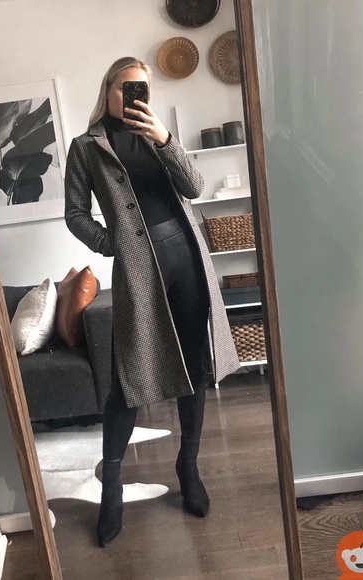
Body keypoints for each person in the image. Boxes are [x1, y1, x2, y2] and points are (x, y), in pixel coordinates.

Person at [64, 56, 240, 547]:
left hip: (187, 259)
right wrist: (111, 243)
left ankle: (188, 466)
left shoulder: (157, 135)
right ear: (108, 90)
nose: (134, 97)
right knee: (126, 381)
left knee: (194, 367)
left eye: (141, 88)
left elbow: (194, 188)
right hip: (139, 270)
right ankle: (112, 487)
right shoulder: (86, 147)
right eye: (126, 88)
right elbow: (75, 213)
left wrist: (164, 139)